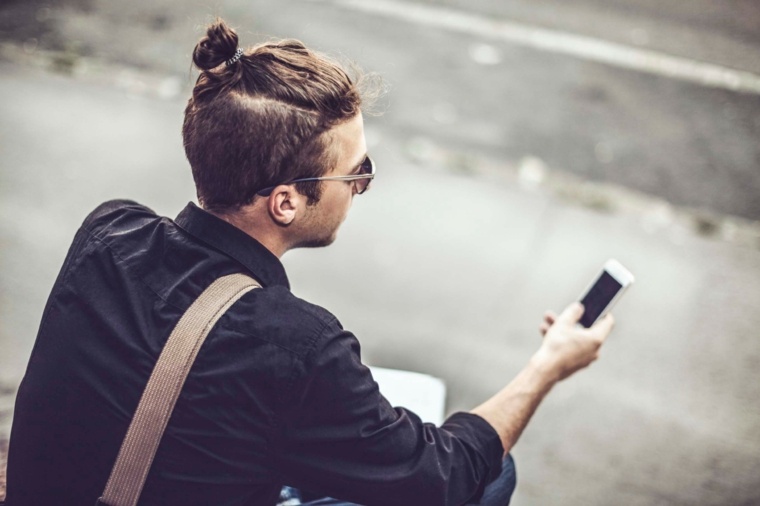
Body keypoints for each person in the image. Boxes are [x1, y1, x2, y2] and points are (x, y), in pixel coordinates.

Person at [4, 18, 613, 506]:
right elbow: (444, 477)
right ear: (286, 201)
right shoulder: (297, 346)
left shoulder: (109, 232)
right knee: (489, 477)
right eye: (358, 172)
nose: (362, 185)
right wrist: (547, 366)